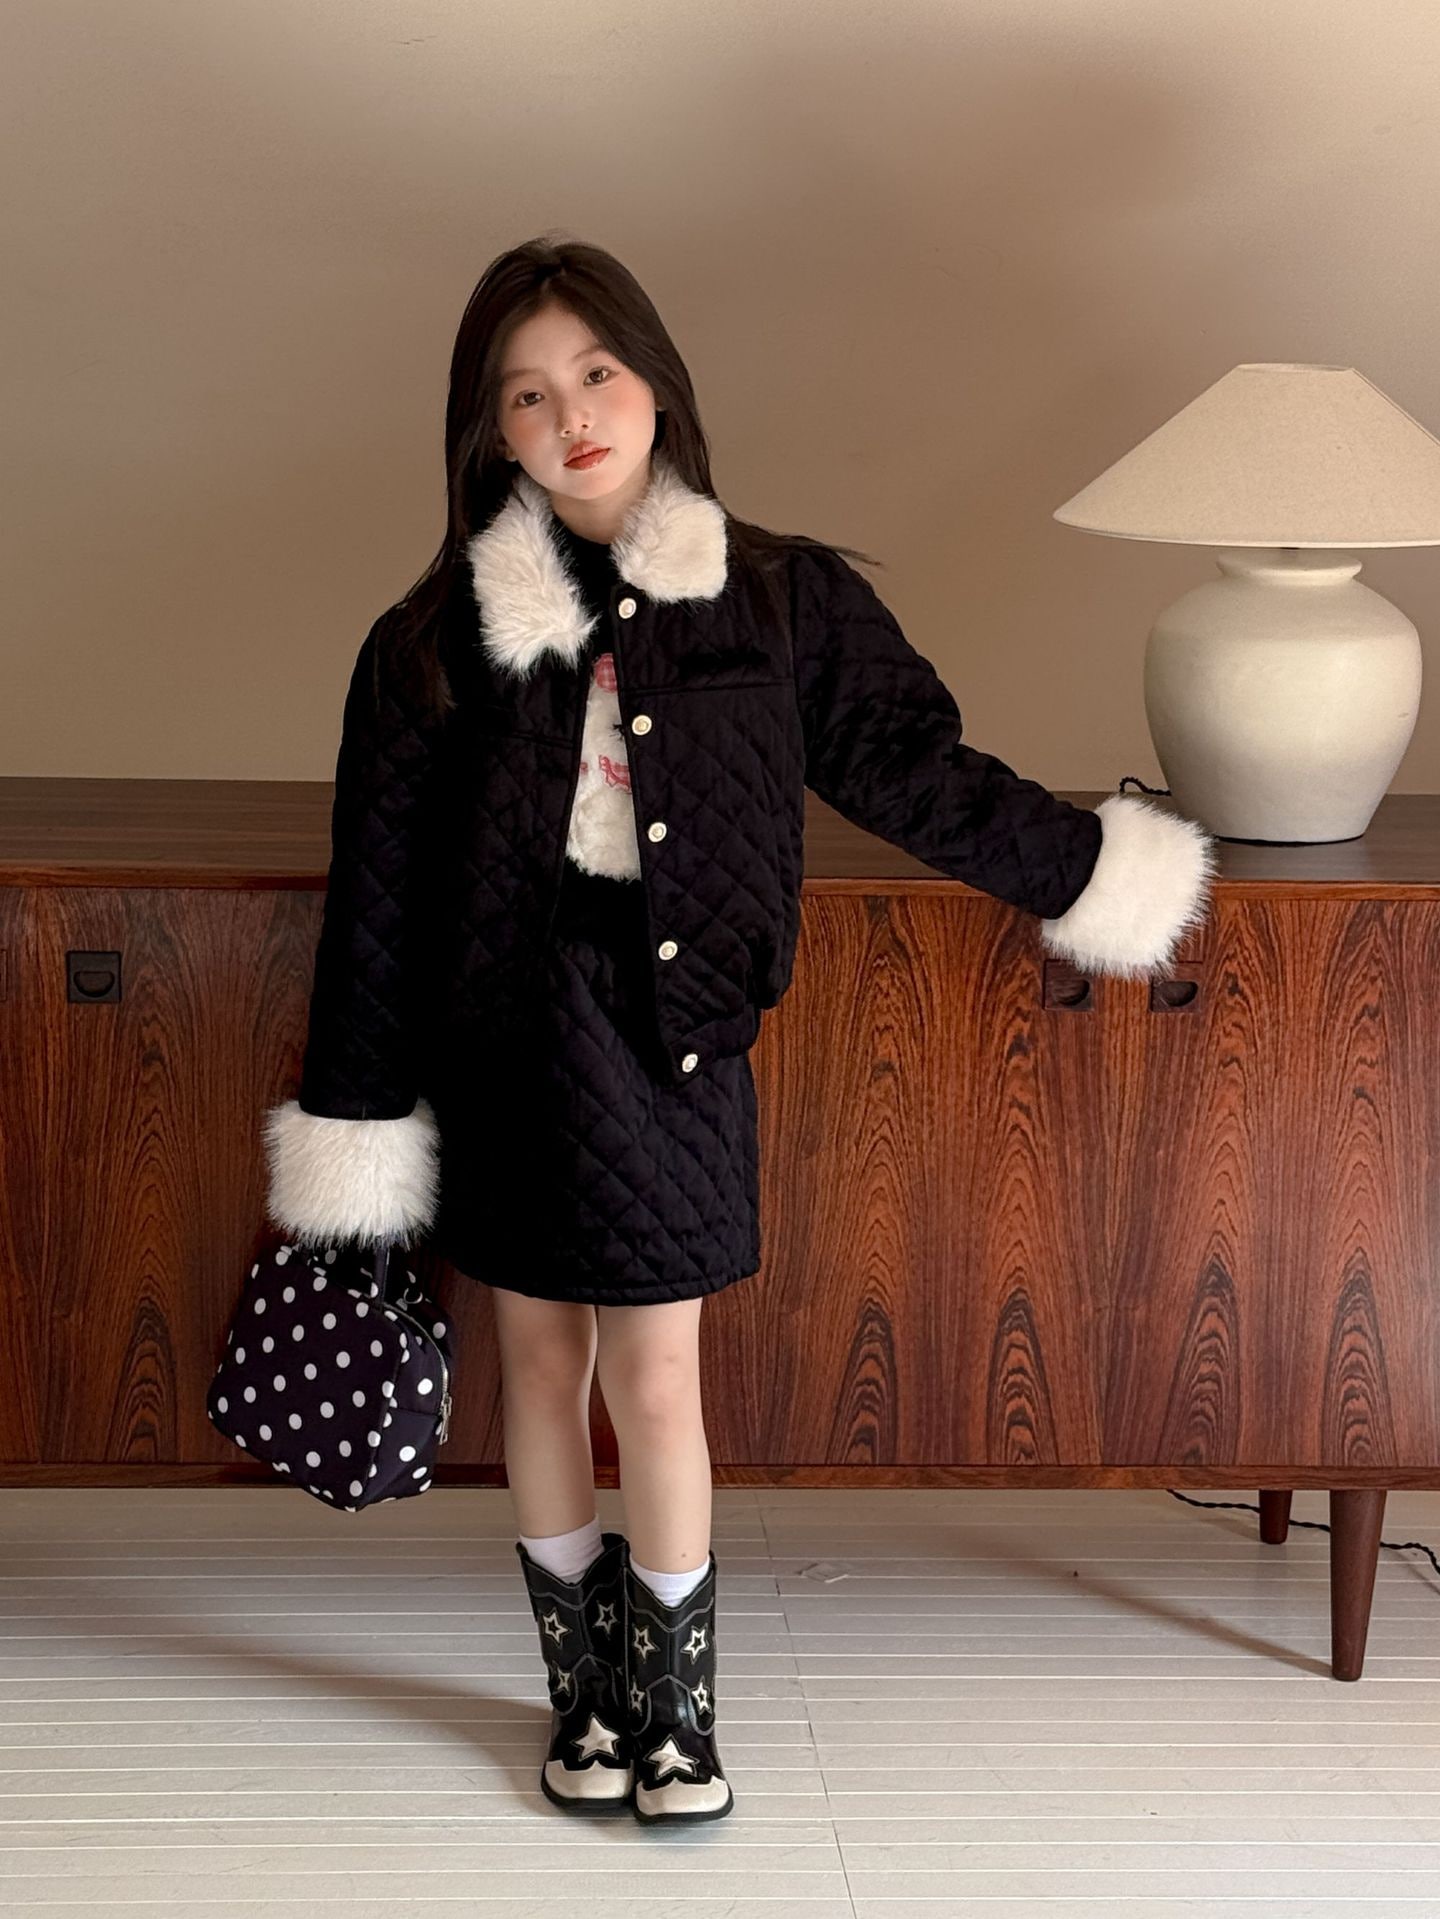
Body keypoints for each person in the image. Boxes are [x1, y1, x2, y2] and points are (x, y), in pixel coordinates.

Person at [261, 234, 1220, 1826]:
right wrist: (355, 1128)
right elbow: (378, 899)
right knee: (537, 1364)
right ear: (488, 430)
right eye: (527, 395)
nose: (572, 415)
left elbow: (915, 769)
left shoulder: (780, 599)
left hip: (681, 1039)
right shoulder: (428, 639)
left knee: (657, 1378)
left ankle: (680, 1720)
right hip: (505, 1046)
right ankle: (585, 1703)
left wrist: (1095, 874)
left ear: (656, 384)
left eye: (597, 374)